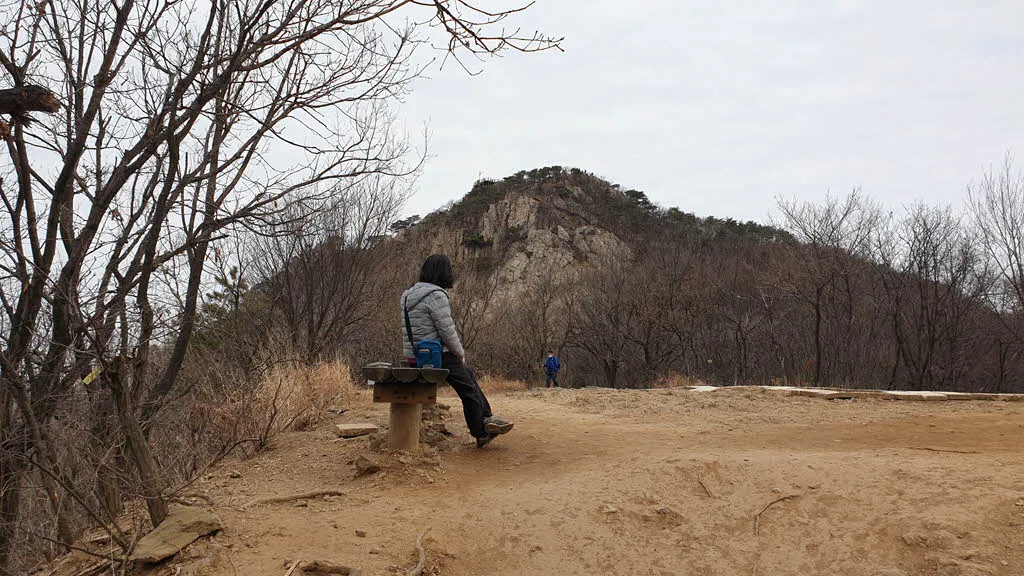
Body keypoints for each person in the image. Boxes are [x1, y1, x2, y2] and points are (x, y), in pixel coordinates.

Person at [401, 254, 514, 448]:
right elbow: (447, 331)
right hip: (437, 357)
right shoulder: (436, 295)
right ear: (443, 273)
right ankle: (481, 432)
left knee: (468, 375)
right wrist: (460, 353)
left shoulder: (407, 295)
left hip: (414, 356)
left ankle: (487, 418)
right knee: (468, 389)